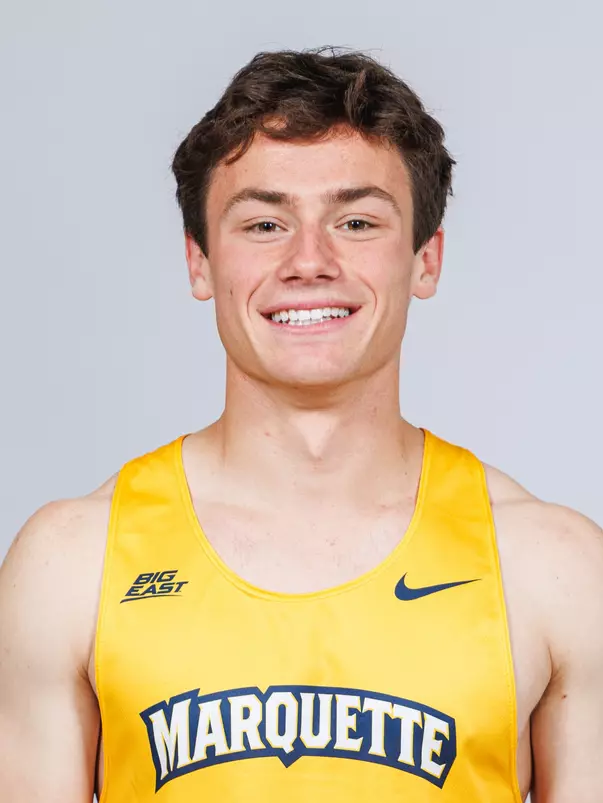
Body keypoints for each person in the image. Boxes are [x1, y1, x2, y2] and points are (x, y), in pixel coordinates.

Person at [0, 45, 601, 803]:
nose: (308, 260)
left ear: (424, 260)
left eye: (354, 221)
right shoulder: (70, 564)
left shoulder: (553, 568)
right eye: (262, 224)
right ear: (199, 260)